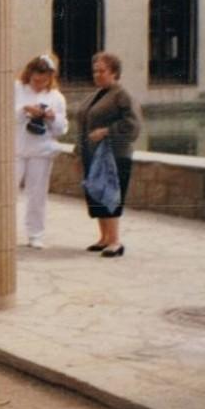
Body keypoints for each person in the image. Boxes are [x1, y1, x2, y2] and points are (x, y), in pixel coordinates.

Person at [76, 52, 141, 258]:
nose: (97, 75)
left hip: (113, 156)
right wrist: (79, 151)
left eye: (102, 71)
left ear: (114, 73)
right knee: (96, 195)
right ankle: (104, 238)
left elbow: (133, 125)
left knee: (110, 194)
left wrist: (106, 131)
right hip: (93, 155)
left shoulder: (122, 95)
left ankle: (115, 241)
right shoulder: (96, 95)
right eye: (95, 71)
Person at [15, 54, 69, 250]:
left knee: (37, 195)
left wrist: (52, 118)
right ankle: (5, 230)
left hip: (41, 150)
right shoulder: (16, 89)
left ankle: (35, 234)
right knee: (8, 193)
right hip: (16, 149)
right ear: (29, 74)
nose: (39, 84)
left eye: (44, 80)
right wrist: (24, 110)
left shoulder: (56, 97)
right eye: (36, 79)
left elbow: (62, 129)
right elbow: (3, 114)